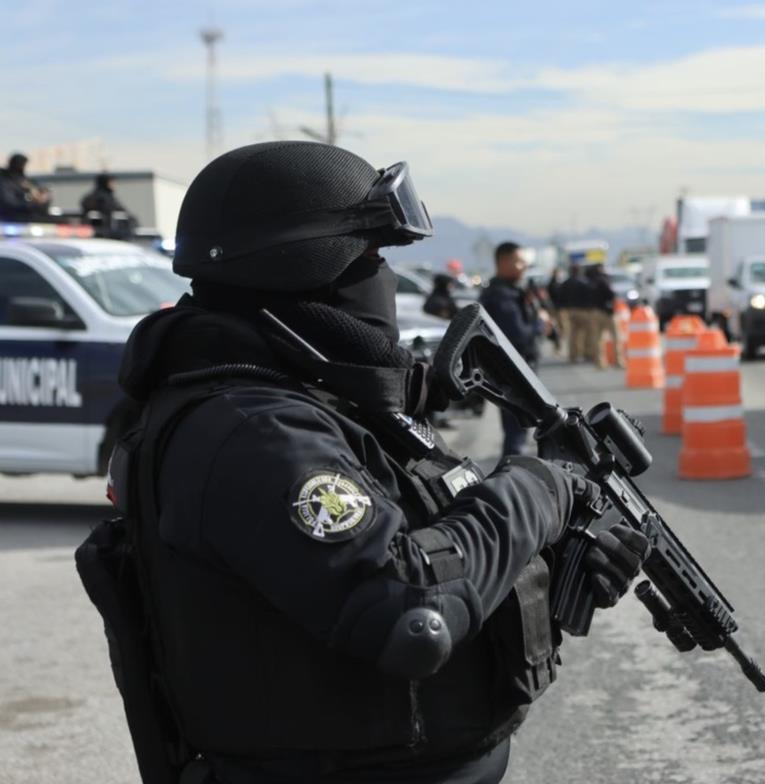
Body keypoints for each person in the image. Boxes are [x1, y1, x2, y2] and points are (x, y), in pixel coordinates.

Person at [91, 142, 648, 784]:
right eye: (372, 257)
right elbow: (411, 613)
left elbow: (419, 555)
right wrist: (536, 490)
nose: (383, 277)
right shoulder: (253, 430)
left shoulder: (314, 399)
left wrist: (550, 564)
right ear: (301, 265)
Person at [478, 241, 546, 457]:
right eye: (518, 262)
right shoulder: (501, 295)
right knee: (517, 429)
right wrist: (540, 324)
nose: (523, 266)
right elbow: (518, 336)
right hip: (514, 373)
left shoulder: (509, 291)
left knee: (520, 427)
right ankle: (513, 475)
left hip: (515, 371)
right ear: (504, 262)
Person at [80, 173, 137, 238]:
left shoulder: (107, 196)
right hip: (104, 234)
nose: (113, 184)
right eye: (110, 182)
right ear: (105, 183)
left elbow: (122, 210)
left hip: (108, 232)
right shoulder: (101, 197)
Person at [585, 264, 620, 369]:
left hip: (594, 312)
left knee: (597, 339)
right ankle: (618, 360)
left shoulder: (589, 282)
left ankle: (600, 362)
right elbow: (611, 294)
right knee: (615, 336)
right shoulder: (603, 280)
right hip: (606, 312)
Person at [558, 264, 593, 363]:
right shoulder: (584, 282)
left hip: (570, 311)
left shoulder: (565, 283)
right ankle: (587, 354)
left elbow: (560, 297)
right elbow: (588, 296)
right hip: (583, 311)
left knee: (573, 334)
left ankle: (573, 356)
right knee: (587, 333)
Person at [0, 153, 51, 221]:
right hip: (10, 217)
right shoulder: (5, 180)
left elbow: (40, 191)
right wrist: (32, 204)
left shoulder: (23, 180)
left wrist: (40, 196)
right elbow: (9, 203)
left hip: (27, 215)